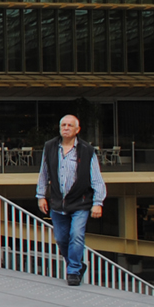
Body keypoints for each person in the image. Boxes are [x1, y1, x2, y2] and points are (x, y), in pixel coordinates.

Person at [36, 114, 106, 286]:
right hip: (58, 202)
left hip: (80, 202)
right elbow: (43, 173)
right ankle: (77, 265)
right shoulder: (50, 146)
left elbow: (96, 178)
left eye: (69, 125)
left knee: (76, 235)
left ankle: (73, 270)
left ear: (77, 130)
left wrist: (98, 202)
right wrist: (41, 196)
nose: (66, 128)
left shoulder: (87, 150)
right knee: (61, 239)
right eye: (63, 125)